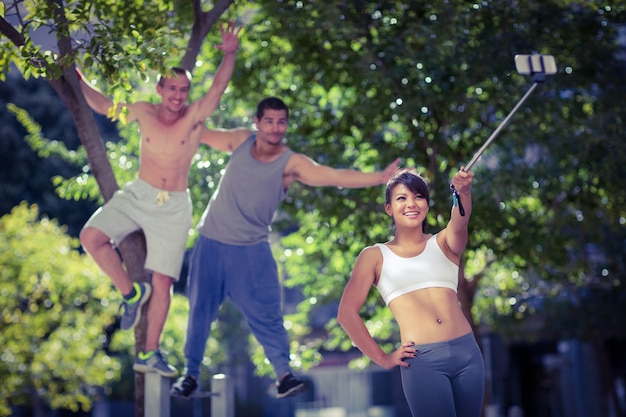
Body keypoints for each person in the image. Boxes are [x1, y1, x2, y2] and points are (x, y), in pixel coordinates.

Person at [170, 96, 401, 398]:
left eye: (281, 122)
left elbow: (334, 177)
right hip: (211, 243)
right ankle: (190, 375)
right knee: (200, 311)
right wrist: (174, 107)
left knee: (268, 315)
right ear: (257, 123)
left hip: (252, 250)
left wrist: (380, 178)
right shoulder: (240, 140)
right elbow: (197, 130)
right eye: (269, 121)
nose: (275, 128)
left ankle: (284, 375)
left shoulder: (291, 164)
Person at [77, 22, 241, 377]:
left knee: (164, 281)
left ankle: (148, 353)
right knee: (91, 237)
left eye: (184, 90)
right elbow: (105, 106)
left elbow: (216, 91)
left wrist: (230, 54)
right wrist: (77, 78)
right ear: (160, 89)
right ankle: (131, 293)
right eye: (173, 89)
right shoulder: (143, 111)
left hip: (175, 205)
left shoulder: (194, 117)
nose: (179, 96)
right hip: (139, 194)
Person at [336, 169, 485, 417]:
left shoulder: (444, 243)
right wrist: (383, 359)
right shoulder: (374, 256)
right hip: (423, 361)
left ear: (426, 204)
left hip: (467, 354)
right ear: (388, 208)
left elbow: (460, 222)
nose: (411, 204)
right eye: (401, 198)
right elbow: (346, 314)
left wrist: (463, 191)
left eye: (418, 196)